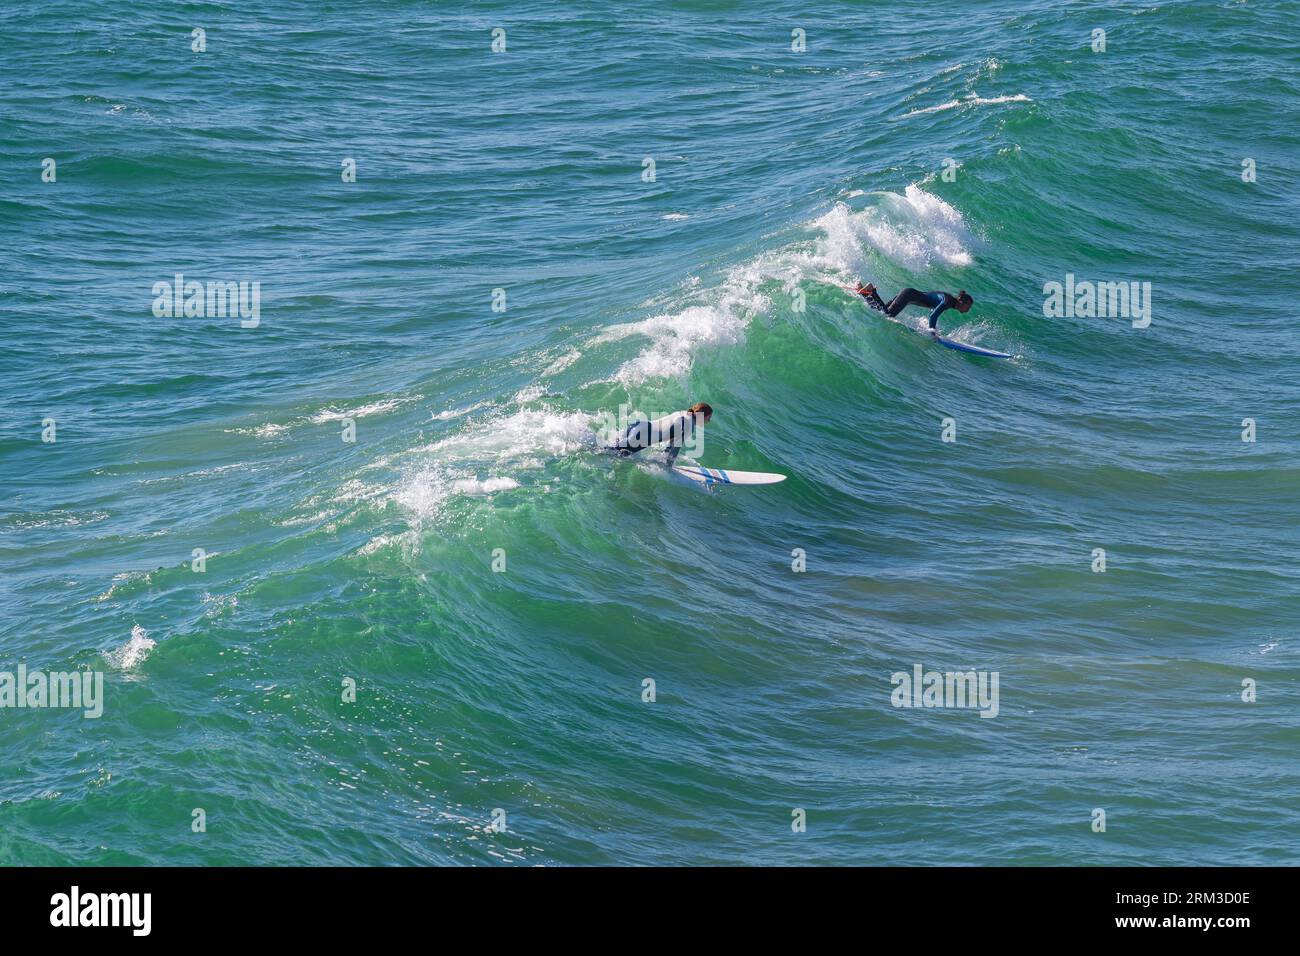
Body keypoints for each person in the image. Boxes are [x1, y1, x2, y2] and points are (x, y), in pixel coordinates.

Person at [854, 282, 972, 337]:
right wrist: (932, 332)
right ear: (962, 302)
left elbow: (933, 313)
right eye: (968, 306)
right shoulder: (948, 302)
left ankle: (864, 291)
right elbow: (933, 316)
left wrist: (933, 328)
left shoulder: (949, 301)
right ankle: (871, 291)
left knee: (882, 310)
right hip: (908, 295)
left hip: (908, 294)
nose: (968, 309)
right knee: (887, 315)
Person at [609, 402, 712, 464]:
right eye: (708, 418)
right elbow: (675, 449)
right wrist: (668, 469)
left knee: (610, 449)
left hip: (638, 425)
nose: (709, 421)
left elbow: (671, 441)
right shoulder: (689, 426)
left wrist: (663, 455)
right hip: (642, 437)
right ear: (701, 415)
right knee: (608, 454)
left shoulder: (683, 413)